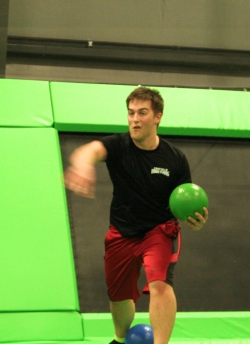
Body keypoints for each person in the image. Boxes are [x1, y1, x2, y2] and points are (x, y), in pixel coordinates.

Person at [64, 86, 208, 344]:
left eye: (142, 113)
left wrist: (193, 221)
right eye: (131, 113)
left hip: (159, 231)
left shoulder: (175, 159)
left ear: (158, 117)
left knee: (159, 284)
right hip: (121, 231)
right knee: (118, 296)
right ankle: (120, 339)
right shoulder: (118, 145)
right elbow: (90, 150)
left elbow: (185, 204)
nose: (134, 119)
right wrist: (83, 164)